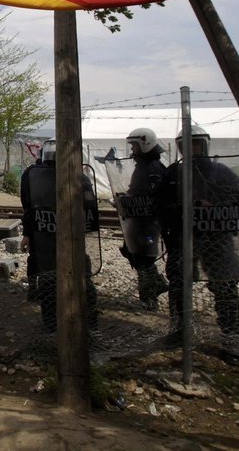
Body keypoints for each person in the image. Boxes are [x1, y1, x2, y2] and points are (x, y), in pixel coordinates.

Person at [158, 125, 239, 344]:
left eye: (195, 143)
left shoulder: (221, 173)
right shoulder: (173, 173)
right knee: (179, 285)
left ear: (205, 144)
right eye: (184, 145)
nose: (190, 148)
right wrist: (181, 209)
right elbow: (158, 204)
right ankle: (179, 330)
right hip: (182, 239)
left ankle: (231, 334)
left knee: (225, 284)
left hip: (217, 238)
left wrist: (214, 206)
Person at [20, 139, 99, 334]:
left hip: (72, 241)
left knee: (81, 281)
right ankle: (51, 326)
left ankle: (89, 327)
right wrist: (28, 234)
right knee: (48, 283)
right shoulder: (33, 176)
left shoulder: (79, 178)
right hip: (44, 239)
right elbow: (29, 209)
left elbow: (90, 214)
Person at [117, 128, 169, 310]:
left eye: (135, 146)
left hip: (148, 223)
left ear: (145, 144)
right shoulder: (143, 166)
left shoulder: (154, 168)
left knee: (144, 259)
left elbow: (153, 195)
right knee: (137, 256)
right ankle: (151, 292)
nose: (132, 150)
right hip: (138, 221)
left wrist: (134, 198)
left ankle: (150, 298)